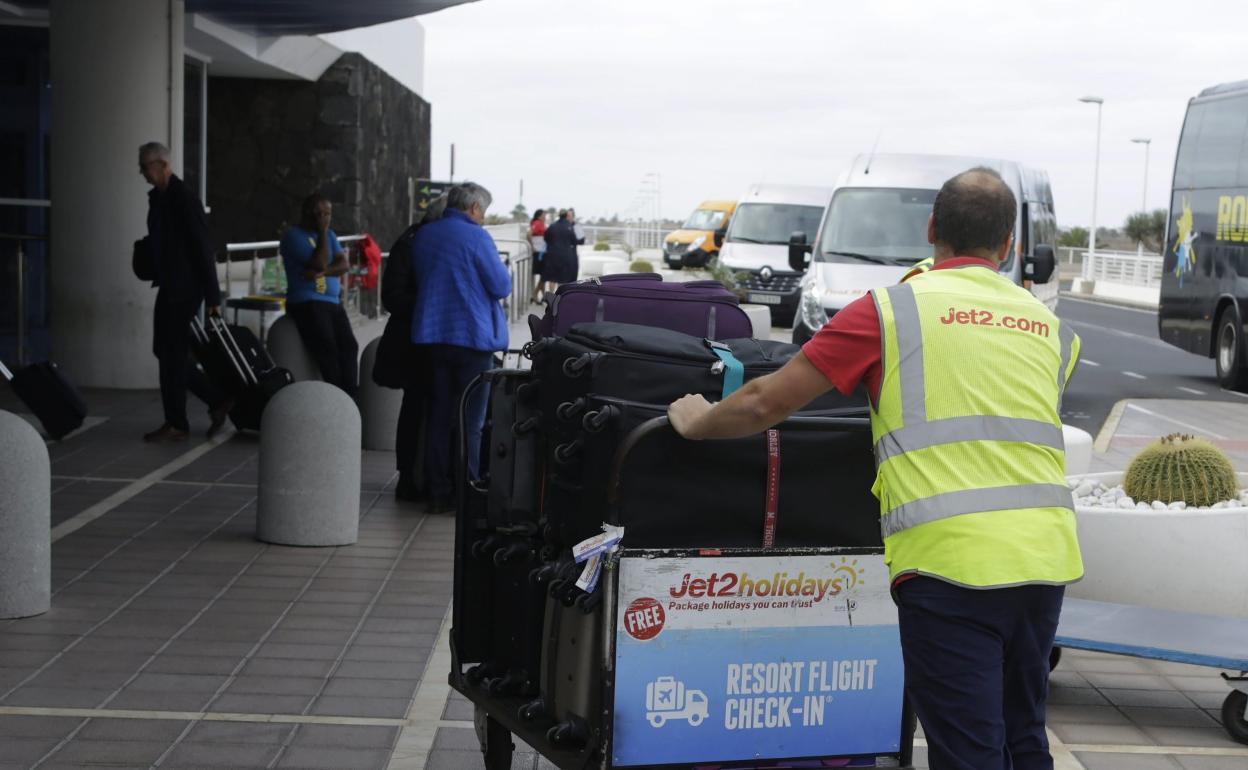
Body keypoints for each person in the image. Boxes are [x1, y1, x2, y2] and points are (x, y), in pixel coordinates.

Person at [668, 168, 1082, 770]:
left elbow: (765, 403)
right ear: (1010, 243)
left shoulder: (889, 312)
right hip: (1045, 560)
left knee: (970, 752)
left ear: (931, 228)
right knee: (1023, 738)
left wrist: (698, 421)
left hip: (950, 565)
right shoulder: (1051, 328)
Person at [410, 182, 512, 513]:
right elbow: (501, 285)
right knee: (471, 420)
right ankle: (465, 492)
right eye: (484, 211)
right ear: (474, 207)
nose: (484, 217)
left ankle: (437, 492)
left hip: (432, 336)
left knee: (438, 417)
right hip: (471, 338)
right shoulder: (477, 237)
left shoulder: (425, 235)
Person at [137, 141, 231, 443]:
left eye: (145, 166)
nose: (142, 173)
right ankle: (215, 400)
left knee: (171, 352)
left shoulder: (183, 199)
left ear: (163, 165)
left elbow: (203, 248)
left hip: (185, 287)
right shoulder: (160, 198)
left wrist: (213, 298)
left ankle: (178, 421)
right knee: (166, 351)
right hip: (172, 284)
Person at [376, 194, 448, 502]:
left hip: (422, 340)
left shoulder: (419, 241)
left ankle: (418, 476)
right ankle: (409, 477)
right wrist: (431, 305)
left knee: (420, 409)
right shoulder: (412, 244)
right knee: (415, 409)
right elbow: (392, 296)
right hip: (413, 342)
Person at [280, 193, 359, 398]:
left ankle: (350, 399)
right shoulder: (293, 236)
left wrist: (322, 273)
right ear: (308, 213)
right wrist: (322, 232)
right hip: (308, 301)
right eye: (320, 214)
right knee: (328, 347)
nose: (325, 218)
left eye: (328, 214)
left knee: (349, 346)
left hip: (332, 302)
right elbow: (320, 262)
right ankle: (336, 395)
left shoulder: (330, 235)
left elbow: (344, 265)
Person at [541, 208, 584, 286]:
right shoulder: (559, 226)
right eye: (567, 216)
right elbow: (547, 237)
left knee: (569, 279)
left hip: (571, 256)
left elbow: (581, 241)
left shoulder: (576, 227)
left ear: (573, 217)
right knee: (557, 278)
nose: (568, 218)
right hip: (560, 256)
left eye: (570, 216)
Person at [528, 209, 548, 303]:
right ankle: (535, 294)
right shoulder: (537, 223)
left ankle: (542, 295)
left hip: (543, 251)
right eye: (544, 215)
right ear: (539, 216)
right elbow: (529, 234)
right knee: (544, 275)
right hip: (539, 252)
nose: (545, 217)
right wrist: (532, 247)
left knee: (543, 275)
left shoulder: (542, 224)